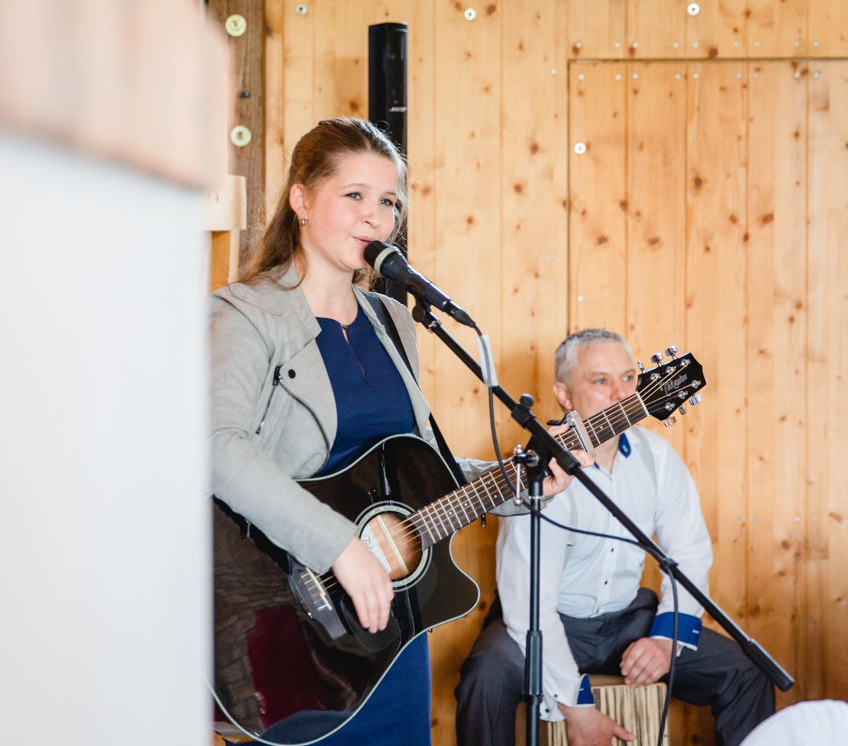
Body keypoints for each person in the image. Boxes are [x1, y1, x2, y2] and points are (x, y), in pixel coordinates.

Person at [209, 117, 587, 746]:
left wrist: (521, 483)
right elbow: (216, 446)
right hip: (291, 623)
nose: (375, 219)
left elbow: (413, 471)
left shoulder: (392, 321)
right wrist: (339, 546)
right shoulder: (243, 314)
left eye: (387, 202)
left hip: (393, 626)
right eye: (354, 196)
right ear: (301, 200)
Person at [455, 328, 775, 746]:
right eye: (601, 381)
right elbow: (529, 608)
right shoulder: (538, 474)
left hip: (628, 620)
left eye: (628, 378)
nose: (621, 394)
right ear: (564, 395)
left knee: (747, 671)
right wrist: (578, 707)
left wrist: (663, 641)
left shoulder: (657, 459)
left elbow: (690, 553)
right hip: (546, 622)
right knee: (486, 674)